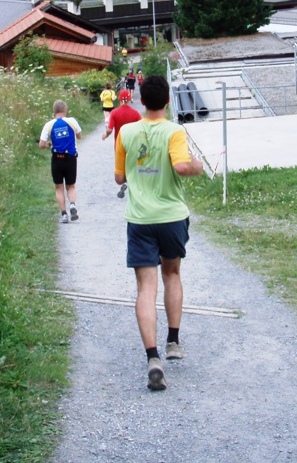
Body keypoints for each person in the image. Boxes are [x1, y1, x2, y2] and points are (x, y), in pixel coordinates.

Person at [114, 74, 204, 391]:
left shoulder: (126, 132)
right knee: (172, 275)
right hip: (171, 217)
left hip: (139, 218)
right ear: (167, 101)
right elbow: (181, 167)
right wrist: (199, 166)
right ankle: (174, 342)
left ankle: (153, 359)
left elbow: (119, 177)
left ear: (141, 101)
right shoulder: (174, 131)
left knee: (145, 287)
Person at [39, 99, 83, 224]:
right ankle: (73, 205)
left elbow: (42, 144)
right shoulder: (72, 121)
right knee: (71, 186)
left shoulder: (49, 125)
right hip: (70, 157)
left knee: (59, 188)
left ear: (54, 111)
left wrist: (49, 143)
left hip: (57, 158)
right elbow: (79, 136)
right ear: (65, 110)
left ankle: (64, 214)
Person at [102, 89, 142, 198]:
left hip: (119, 145)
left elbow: (110, 129)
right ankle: (133, 185)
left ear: (120, 100)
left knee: (121, 166)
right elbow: (142, 128)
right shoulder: (136, 114)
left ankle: (123, 182)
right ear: (129, 99)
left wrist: (106, 135)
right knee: (132, 165)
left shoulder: (114, 112)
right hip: (132, 145)